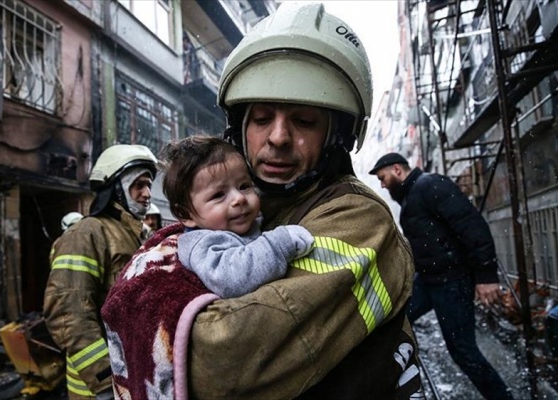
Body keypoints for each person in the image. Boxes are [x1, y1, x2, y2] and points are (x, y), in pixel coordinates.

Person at [103, 3, 422, 399]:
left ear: (336, 135)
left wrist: (146, 307)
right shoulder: (249, 210)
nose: (278, 138)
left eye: (304, 121)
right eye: (261, 118)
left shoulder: (357, 218)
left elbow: (221, 361)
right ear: (240, 128)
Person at [369, 152, 513, 400]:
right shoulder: (412, 197)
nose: (382, 184)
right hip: (430, 280)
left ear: (397, 170)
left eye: (383, 178)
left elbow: (472, 227)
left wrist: (486, 276)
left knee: (463, 351)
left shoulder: (430, 185)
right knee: (394, 319)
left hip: (452, 282)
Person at [43, 144, 157, 400]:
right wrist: (104, 380)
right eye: (138, 185)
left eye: (148, 184)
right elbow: (67, 313)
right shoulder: (86, 234)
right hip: (96, 390)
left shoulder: (143, 236)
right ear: (115, 188)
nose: (147, 193)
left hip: (138, 377)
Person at [166, 135, 314, 298]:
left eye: (244, 186)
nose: (239, 198)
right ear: (185, 214)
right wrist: (280, 244)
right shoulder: (203, 243)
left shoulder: (245, 222)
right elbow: (231, 280)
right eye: (218, 195)